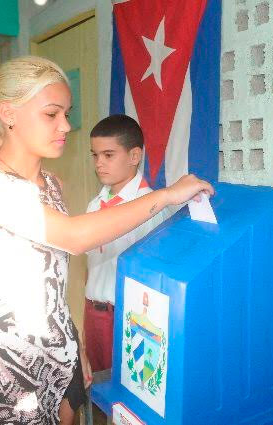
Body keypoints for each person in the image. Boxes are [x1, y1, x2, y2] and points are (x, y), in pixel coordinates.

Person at [0, 56, 212, 425]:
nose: (66, 125)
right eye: (52, 114)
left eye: (67, 112)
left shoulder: (51, 185)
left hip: (59, 364)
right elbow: (75, 237)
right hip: (0, 374)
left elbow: (54, 281)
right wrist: (165, 195)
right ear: (8, 113)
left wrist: (75, 343)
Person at [83, 114, 168, 372]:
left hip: (129, 317)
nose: (99, 163)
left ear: (134, 156)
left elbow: (154, 276)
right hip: (94, 313)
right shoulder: (95, 204)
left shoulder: (151, 206)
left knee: (125, 399)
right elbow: (91, 268)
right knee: (95, 389)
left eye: (108, 155)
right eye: (95, 155)